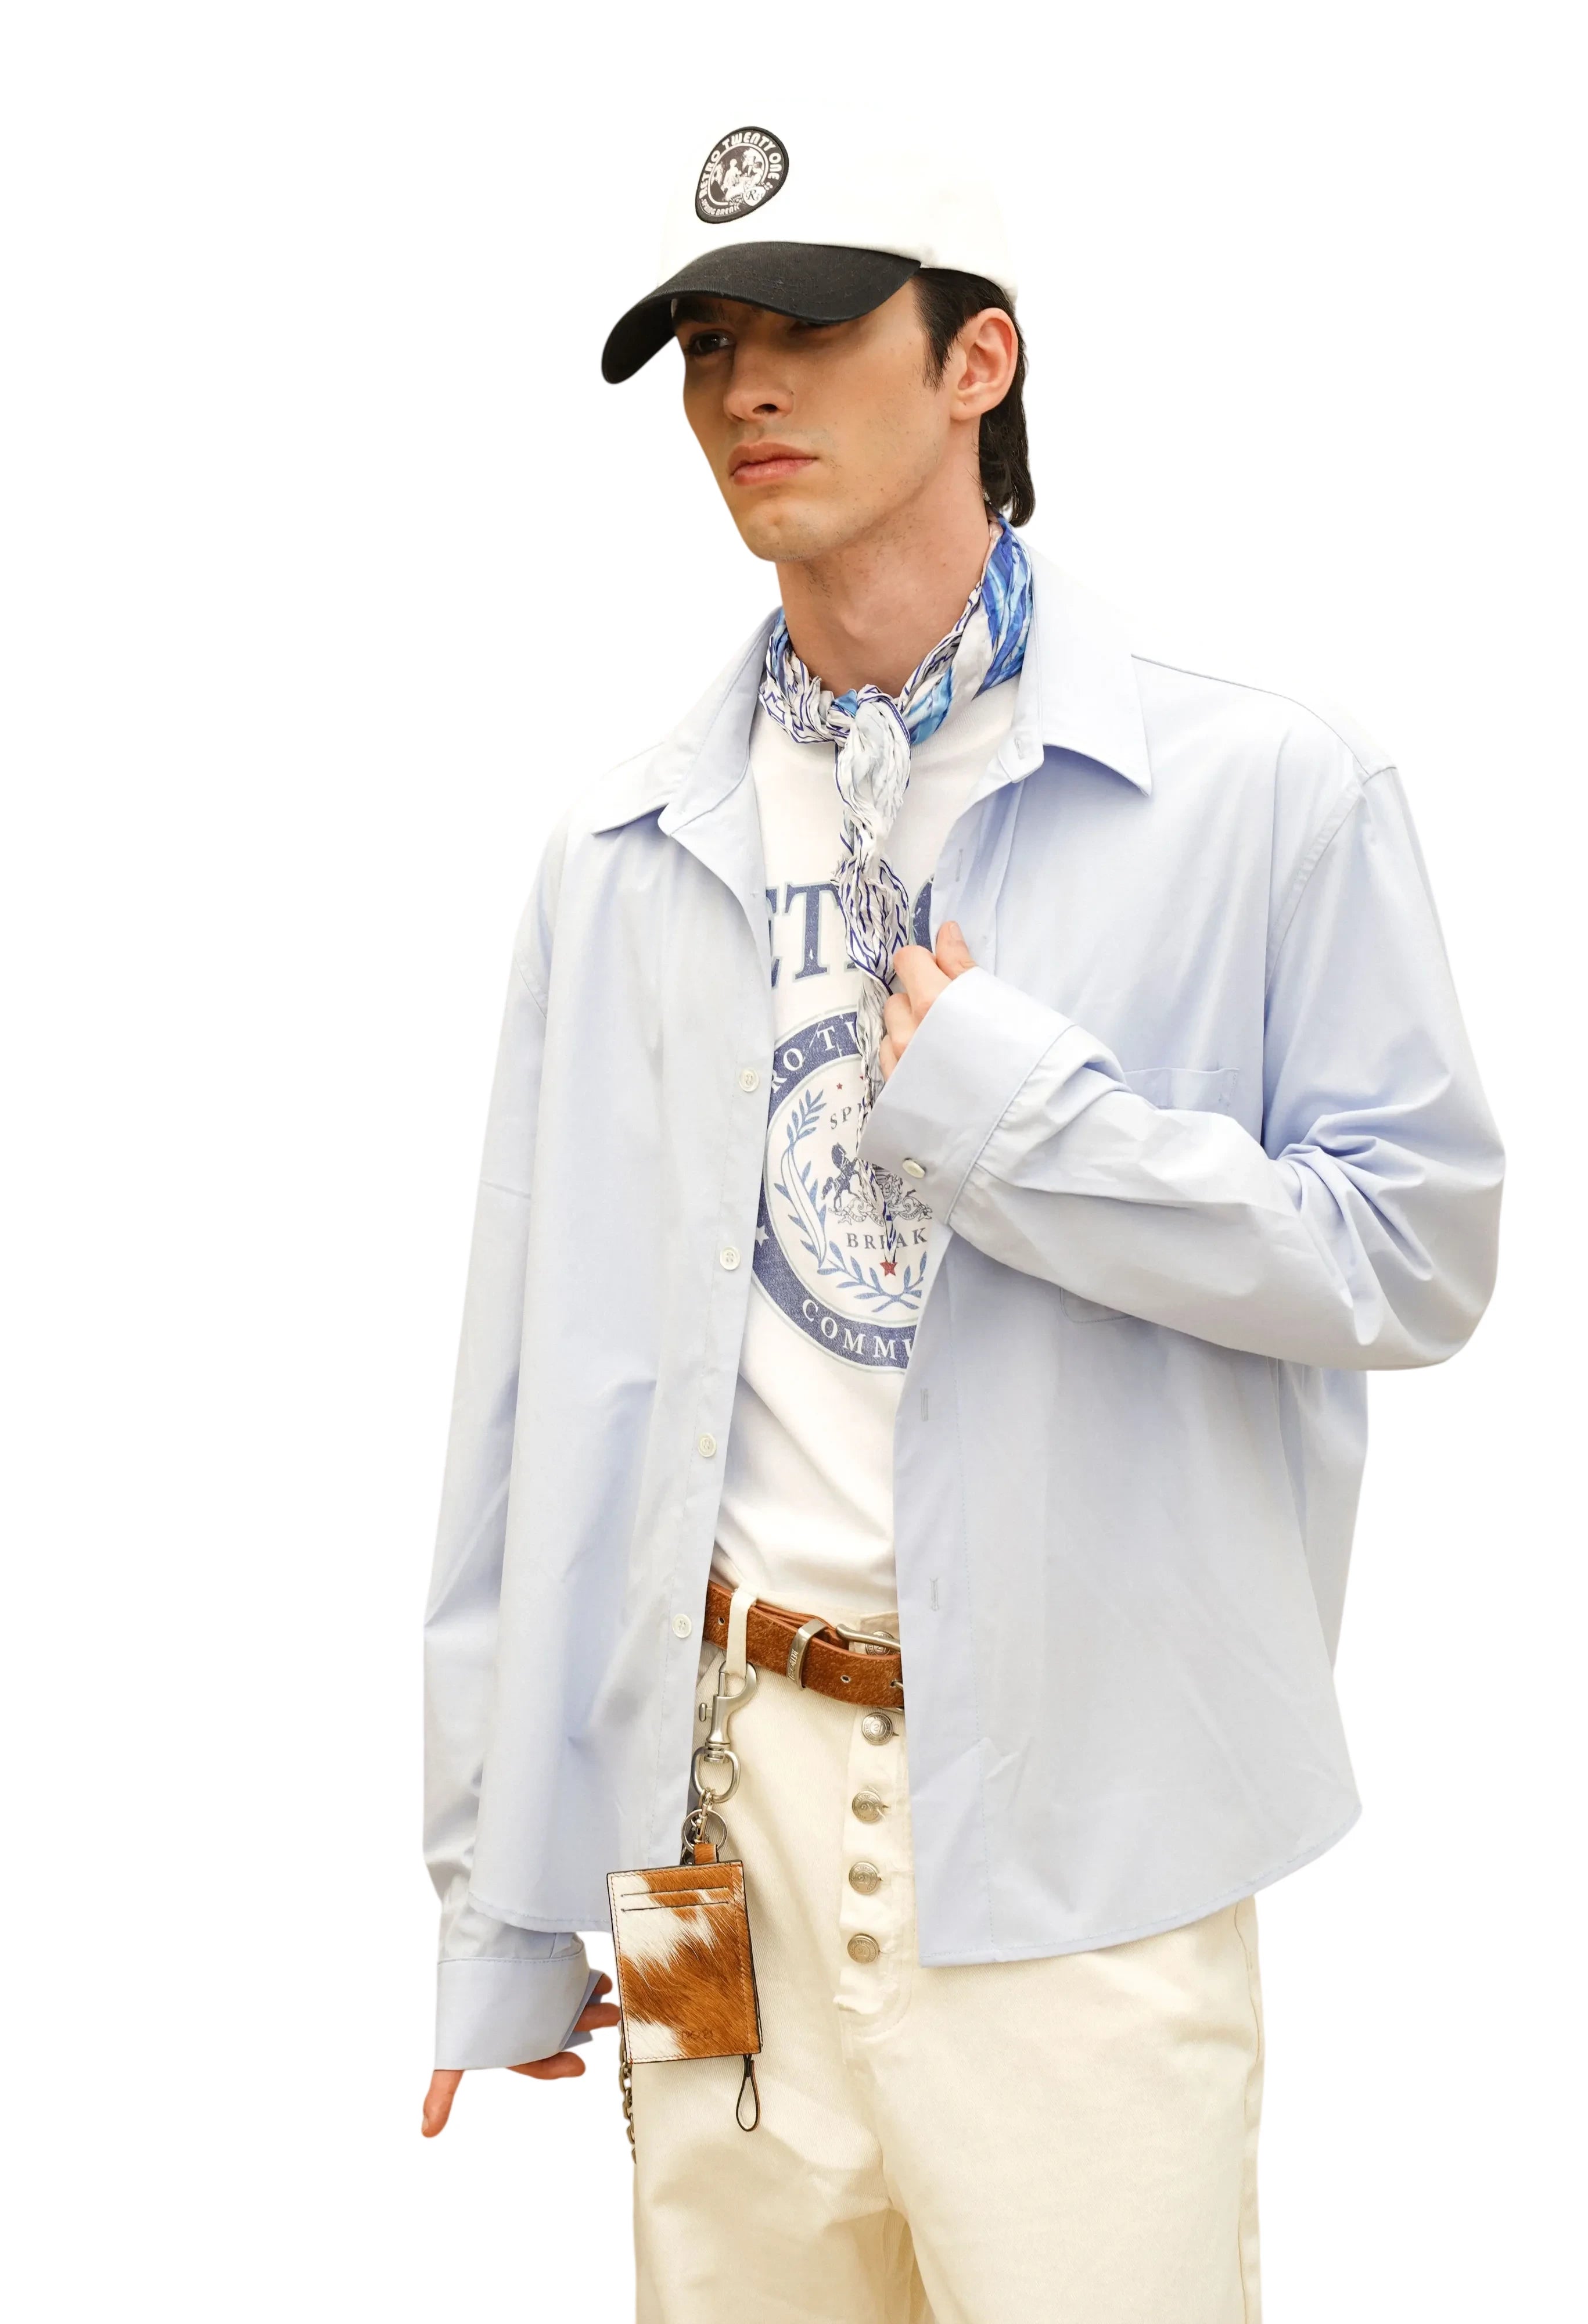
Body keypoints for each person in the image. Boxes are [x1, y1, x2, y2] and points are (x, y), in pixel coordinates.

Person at [418, 119, 1504, 2324]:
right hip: (712, 1832)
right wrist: (496, 1894)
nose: (744, 388)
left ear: (978, 362)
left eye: (810, 329)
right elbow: (532, 1392)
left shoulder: (1260, 792)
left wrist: (1030, 1127)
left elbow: (1416, 1254)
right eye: (704, 344)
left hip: (1091, 1844)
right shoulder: (624, 852)